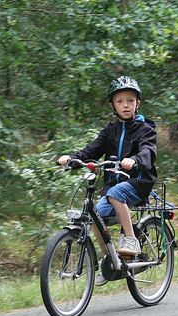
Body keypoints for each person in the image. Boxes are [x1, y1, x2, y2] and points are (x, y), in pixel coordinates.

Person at [58, 76, 157, 285]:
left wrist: (135, 160)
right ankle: (111, 259)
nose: (126, 105)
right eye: (120, 101)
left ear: (137, 103)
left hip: (138, 182)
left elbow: (148, 151)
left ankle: (131, 240)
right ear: (113, 104)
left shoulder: (145, 129)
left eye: (130, 100)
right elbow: (91, 150)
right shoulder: (110, 131)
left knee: (115, 193)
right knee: (94, 215)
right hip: (113, 185)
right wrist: (73, 158)